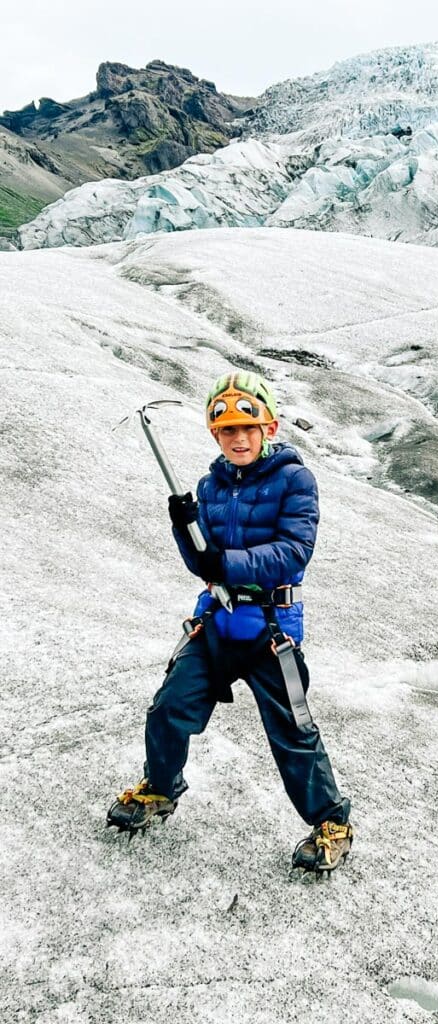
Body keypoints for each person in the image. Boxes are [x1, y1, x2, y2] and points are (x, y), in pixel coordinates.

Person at [108, 371, 353, 873]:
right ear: (215, 435)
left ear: (271, 428)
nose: (238, 439)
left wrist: (228, 564)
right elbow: (203, 563)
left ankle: (332, 822)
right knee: (169, 708)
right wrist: (186, 526)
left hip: (270, 628)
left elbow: (293, 550)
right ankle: (160, 790)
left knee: (292, 730)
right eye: (227, 431)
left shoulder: (294, 480)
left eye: (249, 428)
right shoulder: (209, 485)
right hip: (216, 622)